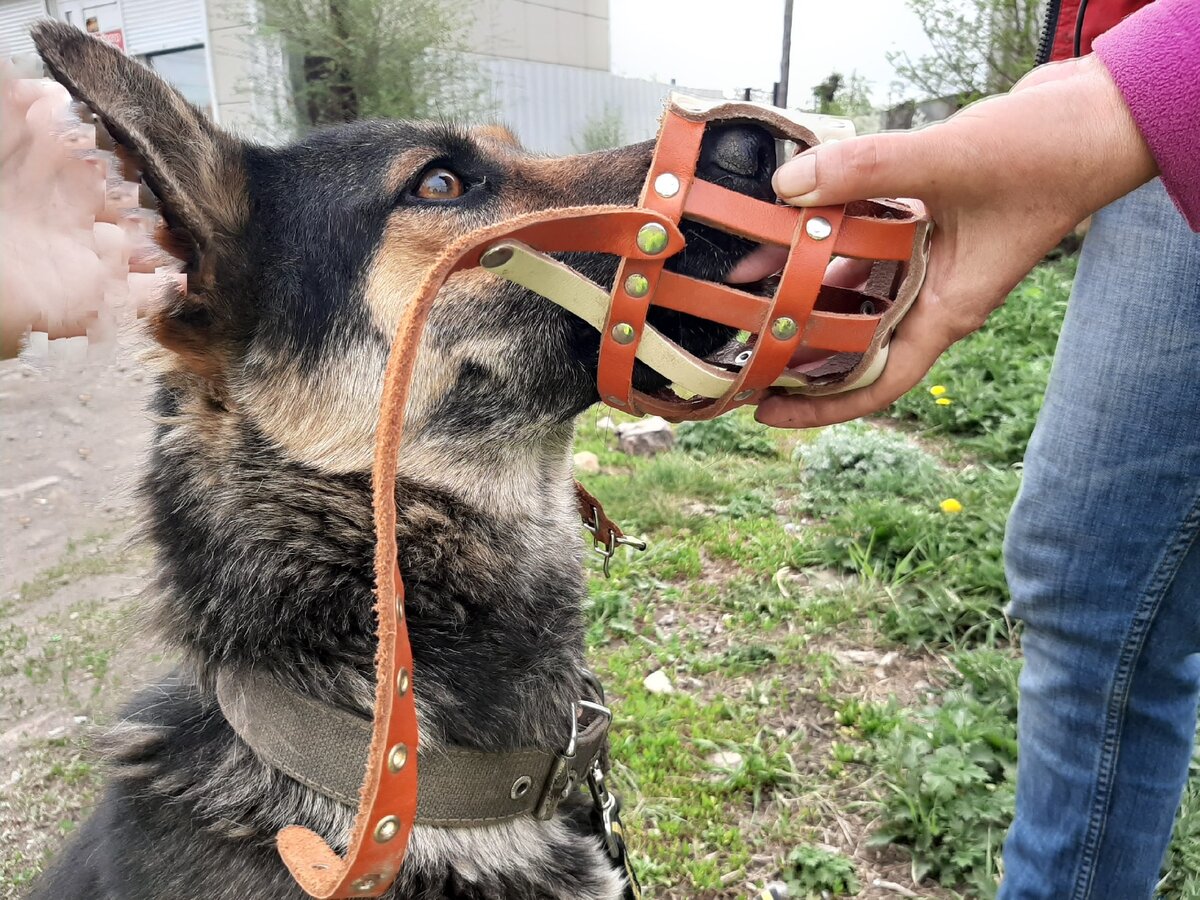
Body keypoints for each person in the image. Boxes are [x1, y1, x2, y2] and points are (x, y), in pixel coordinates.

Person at [763, 0, 1200, 896]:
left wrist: (1156, 83)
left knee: (1099, 597)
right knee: (1096, 593)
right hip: (1149, 97)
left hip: (1161, 89)